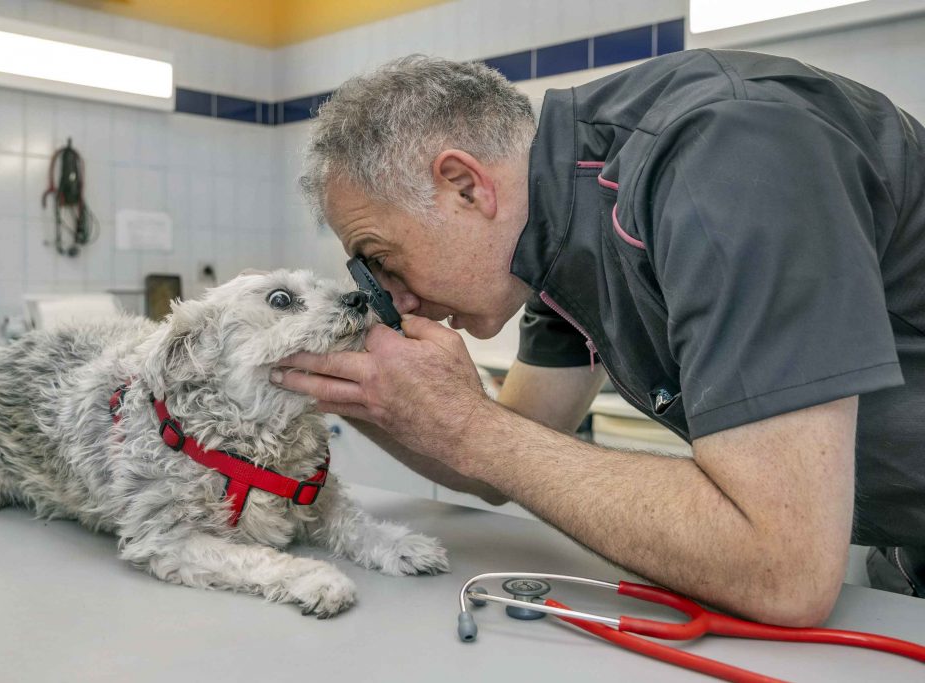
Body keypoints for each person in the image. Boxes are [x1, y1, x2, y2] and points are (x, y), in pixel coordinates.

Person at [271, 49, 925, 624]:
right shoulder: (558, 240)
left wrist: (470, 427)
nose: (395, 298)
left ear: (464, 186)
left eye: (380, 259)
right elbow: (512, 449)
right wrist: (330, 377)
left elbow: (783, 566)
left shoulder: (723, 156)